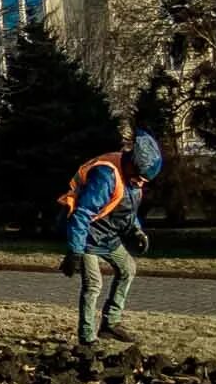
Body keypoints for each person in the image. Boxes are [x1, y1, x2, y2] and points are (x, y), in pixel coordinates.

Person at [57, 131, 163, 347]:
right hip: (87, 236)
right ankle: (87, 338)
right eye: (140, 177)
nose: (141, 183)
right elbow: (82, 213)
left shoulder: (132, 180)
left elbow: (126, 209)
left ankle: (110, 324)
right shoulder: (106, 175)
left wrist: (136, 231)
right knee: (93, 285)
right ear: (132, 164)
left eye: (145, 180)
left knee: (128, 269)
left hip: (108, 235)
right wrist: (75, 251)